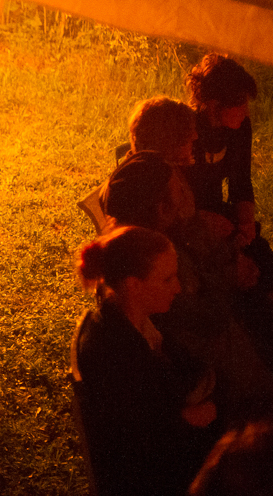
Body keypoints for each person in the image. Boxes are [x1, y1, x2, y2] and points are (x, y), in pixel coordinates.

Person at [104, 151, 273, 418]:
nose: (187, 193)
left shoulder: (133, 243)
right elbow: (210, 319)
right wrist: (232, 277)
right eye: (180, 190)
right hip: (225, 383)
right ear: (162, 209)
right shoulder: (157, 263)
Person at [71, 225, 219, 496]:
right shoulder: (118, 353)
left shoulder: (134, 322)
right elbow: (142, 441)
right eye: (167, 279)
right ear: (134, 285)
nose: (178, 287)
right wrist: (187, 418)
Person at [185, 54, 259, 244]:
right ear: (214, 104)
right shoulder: (186, 130)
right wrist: (201, 219)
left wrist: (246, 226)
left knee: (258, 251)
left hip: (217, 211)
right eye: (239, 102)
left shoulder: (240, 128)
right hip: (184, 221)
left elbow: (241, 181)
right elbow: (171, 197)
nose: (246, 110)